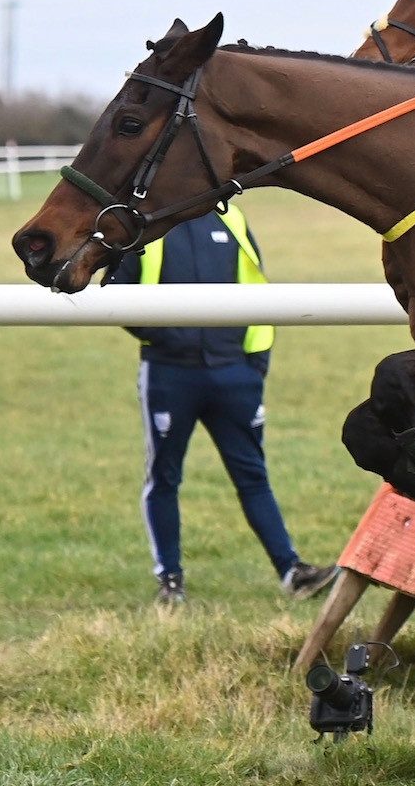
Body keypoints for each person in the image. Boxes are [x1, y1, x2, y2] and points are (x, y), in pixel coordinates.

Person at [106, 207, 340, 606]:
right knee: (164, 477)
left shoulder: (231, 218)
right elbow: (116, 293)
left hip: (236, 375)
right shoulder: (145, 224)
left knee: (253, 475)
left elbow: (258, 290)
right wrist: (168, 339)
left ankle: (292, 571)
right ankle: (170, 580)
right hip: (170, 374)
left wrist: (254, 365)